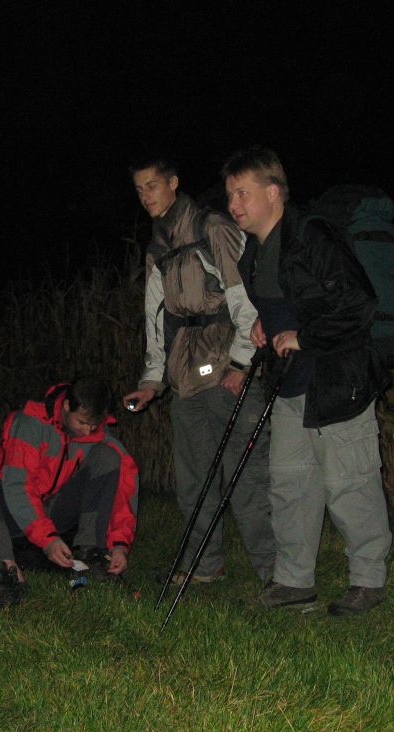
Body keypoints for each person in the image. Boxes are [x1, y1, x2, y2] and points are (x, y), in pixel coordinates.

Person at [221, 146, 393, 615]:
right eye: (230, 195)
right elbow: (290, 302)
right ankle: (294, 582)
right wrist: (265, 323)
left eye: (243, 193)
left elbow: (358, 305)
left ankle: (368, 580)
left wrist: (305, 336)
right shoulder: (255, 252)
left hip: (337, 382)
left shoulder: (312, 236)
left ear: (273, 192)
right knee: (290, 485)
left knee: (349, 483)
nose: (234, 204)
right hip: (290, 386)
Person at [123, 158, 275, 585]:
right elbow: (156, 318)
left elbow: (244, 295)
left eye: (153, 185)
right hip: (185, 378)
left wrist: (242, 363)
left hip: (227, 368)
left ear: (173, 183)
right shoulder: (158, 245)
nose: (146, 196)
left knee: (247, 476)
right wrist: (152, 381)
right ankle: (207, 565)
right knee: (193, 482)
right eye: (139, 190)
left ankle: (276, 572)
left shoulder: (212, 227)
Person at [0, 378, 138, 610]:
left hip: (54, 511)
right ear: (67, 406)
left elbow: (123, 490)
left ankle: (90, 557)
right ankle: (4, 569)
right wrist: (48, 539)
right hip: (12, 511)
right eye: (82, 422)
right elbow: (18, 488)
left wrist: (119, 544)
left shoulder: (96, 434)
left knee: (108, 457)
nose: (87, 431)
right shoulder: (30, 424)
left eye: (93, 425)